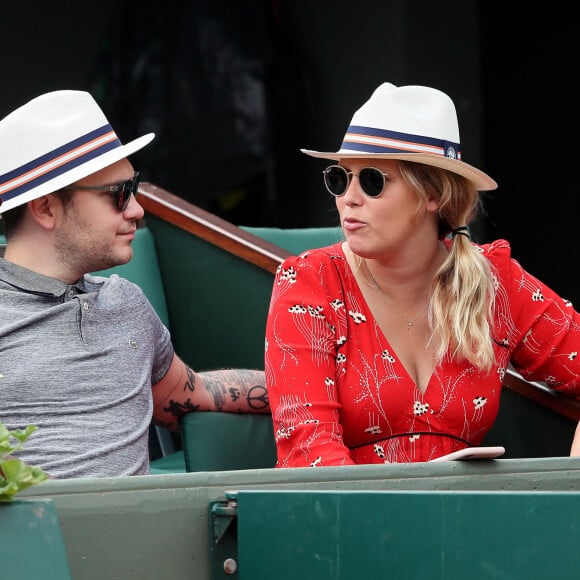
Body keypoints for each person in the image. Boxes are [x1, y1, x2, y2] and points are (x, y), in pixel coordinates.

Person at [265, 82, 580, 467]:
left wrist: (572, 488)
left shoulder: (494, 281)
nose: (348, 197)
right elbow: (309, 455)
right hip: (351, 519)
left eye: (372, 181)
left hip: (470, 520)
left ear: (434, 196)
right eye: (340, 177)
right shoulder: (310, 283)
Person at [0, 90, 268, 479]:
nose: (137, 210)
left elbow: (196, 393)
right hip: (26, 537)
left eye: (135, 188)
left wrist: (318, 388)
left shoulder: (126, 303)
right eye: (118, 195)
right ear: (45, 208)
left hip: (141, 532)